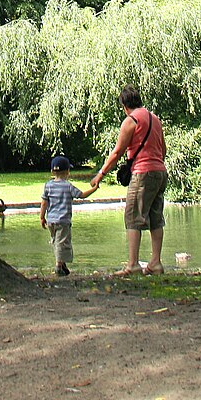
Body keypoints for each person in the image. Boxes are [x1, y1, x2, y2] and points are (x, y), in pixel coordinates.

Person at [88, 84, 167, 277]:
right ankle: (155, 263)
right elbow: (163, 149)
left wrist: (100, 174)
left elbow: (117, 153)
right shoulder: (155, 119)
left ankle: (132, 265)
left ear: (124, 105)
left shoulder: (131, 121)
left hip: (142, 173)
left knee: (133, 217)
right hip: (160, 172)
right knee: (156, 218)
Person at [39, 154, 98, 277]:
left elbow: (44, 202)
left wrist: (42, 217)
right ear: (67, 172)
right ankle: (58, 265)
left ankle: (63, 264)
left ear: (52, 172)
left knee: (56, 241)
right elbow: (82, 195)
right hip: (63, 221)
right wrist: (94, 188)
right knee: (62, 243)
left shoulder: (48, 185)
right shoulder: (68, 186)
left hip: (51, 221)